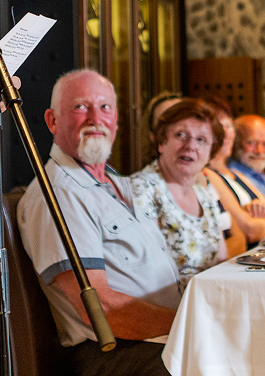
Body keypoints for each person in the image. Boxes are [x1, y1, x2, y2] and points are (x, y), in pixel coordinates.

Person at [17, 70, 180, 376]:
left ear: (115, 120)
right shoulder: (60, 192)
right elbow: (102, 309)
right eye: (80, 107)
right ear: (52, 121)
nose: (95, 118)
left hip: (159, 338)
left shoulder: (116, 183)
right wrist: (192, 324)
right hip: (117, 352)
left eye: (105, 107)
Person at [131, 99, 244, 285]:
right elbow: (146, 271)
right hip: (168, 301)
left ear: (211, 151)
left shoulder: (204, 194)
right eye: (181, 135)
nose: (191, 145)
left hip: (207, 296)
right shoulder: (142, 189)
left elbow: (221, 260)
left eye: (201, 139)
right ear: (161, 142)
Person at [202, 103, 265, 247]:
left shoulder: (236, 174)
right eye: (218, 127)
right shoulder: (208, 174)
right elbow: (250, 230)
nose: (225, 133)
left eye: (228, 126)